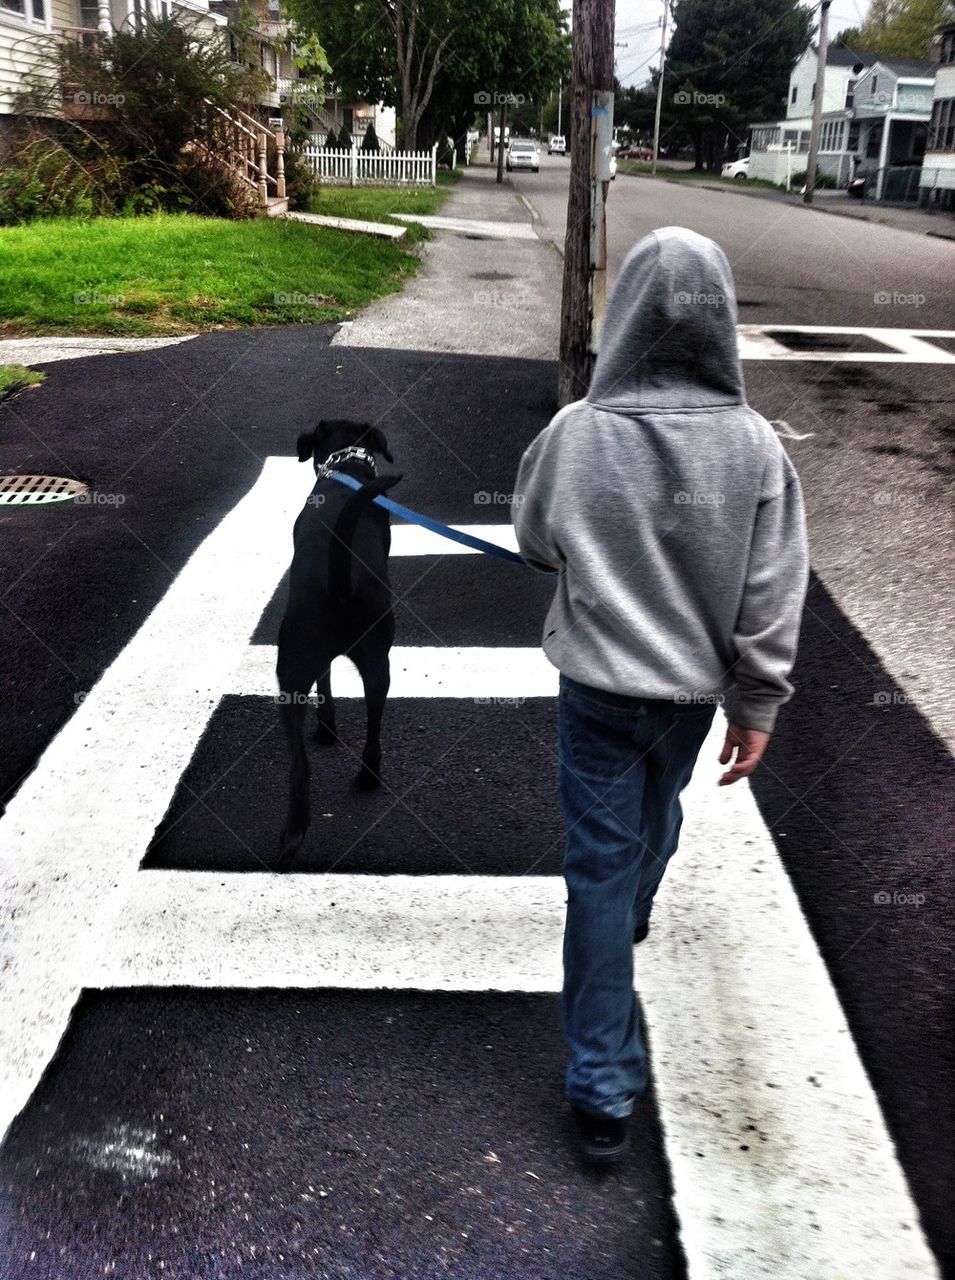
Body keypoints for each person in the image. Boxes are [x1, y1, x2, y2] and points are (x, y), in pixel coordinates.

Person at [512, 227, 809, 1164]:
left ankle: (601, 1092)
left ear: (626, 316)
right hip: (688, 696)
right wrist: (756, 703)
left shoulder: (578, 432)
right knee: (656, 813)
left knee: (597, 864)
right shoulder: (756, 448)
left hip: (597, 685)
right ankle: (635, 902)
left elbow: (533, 540)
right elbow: (771, 591)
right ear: (720, 324)